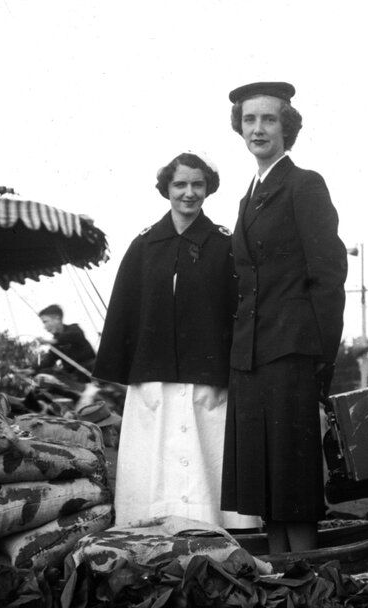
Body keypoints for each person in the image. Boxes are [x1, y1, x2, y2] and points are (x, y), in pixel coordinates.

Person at [93, 152, 260, 530]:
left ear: (208, 189)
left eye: (197, 185)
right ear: (166, 189)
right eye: (180, 184)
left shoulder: (225, 244)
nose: (189, 193)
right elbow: (125, 308)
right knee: (154, 461)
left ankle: (220, 533)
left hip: (209, 380)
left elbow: (240, 309)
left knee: (207, 458)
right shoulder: (145, 245)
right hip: (153, 380)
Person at [221, 82, 348, 553]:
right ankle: (280, 577)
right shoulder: (248, 197)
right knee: (265, 482)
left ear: (286, 127)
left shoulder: (304, 184)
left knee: (292, 479)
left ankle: (310, 575)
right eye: (249, 120)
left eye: (268, 119)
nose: (258, 129)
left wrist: (321, 355)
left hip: (291, 350)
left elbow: (328, 275)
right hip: (252, 355)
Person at [35, 304, 96, 382]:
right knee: (47, 373)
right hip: (75, 377)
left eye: (45, 322)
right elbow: (49, 360)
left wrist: (52, 341)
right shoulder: (55, 344)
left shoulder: (74, 328)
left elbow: (72, 335)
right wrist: (32, 370)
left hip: (90, 370)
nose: (44, 327)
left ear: (57, 318)